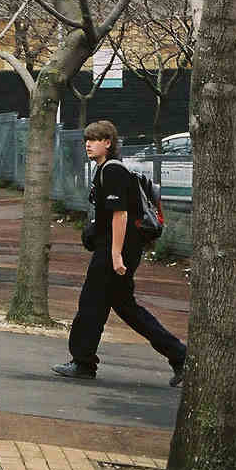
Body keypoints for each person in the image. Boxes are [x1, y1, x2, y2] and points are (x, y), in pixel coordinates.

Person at [53, 119, 187, 386]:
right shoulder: (105, 170)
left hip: (117, 249)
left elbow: (120, 215)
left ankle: (83, 362)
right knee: (125, 307)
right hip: (120, 248)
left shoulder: (112, 171)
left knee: (92, 303)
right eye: (87, 140)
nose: (89, 144)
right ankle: (179, 355)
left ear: (108, 143)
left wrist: (115, 255)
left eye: (95, 139)